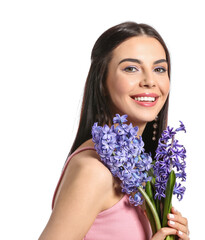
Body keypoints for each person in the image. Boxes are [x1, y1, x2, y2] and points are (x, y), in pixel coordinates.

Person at [39, 21, 190, 240]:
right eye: (131, 68)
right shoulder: (93, 170)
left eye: (159, 69)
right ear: (102, 81)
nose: (149, 81)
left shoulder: (141, 165)